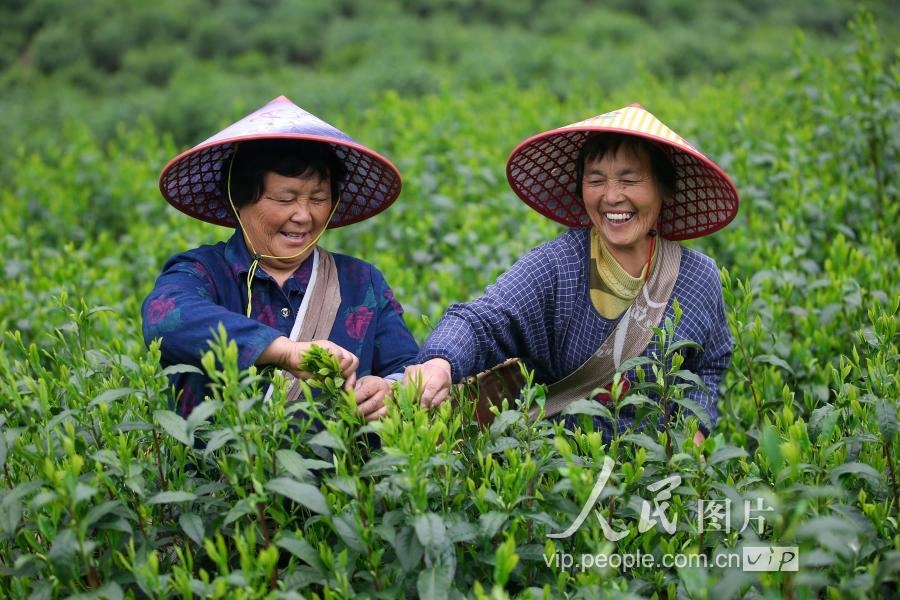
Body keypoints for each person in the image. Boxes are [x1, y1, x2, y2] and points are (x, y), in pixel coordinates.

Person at [404, 104, 738, 441]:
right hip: (565, 467)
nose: (611, 196)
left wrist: (694, 434)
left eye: (630, 179)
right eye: (596, 180)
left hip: (655, 474)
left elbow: (708, 365)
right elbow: (484, 320)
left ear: (663, 189)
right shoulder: (558, 266)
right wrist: (440, 360)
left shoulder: (697, 278)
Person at [142, 95, 419, 421]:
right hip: (217, 470)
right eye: (285, 198)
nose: (303, 215)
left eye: (318, 198)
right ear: (240, 199)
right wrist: (286, 352)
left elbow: (407, 367)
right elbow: (166, 318)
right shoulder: (204, 272)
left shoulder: (361, 282)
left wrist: (391, 389)